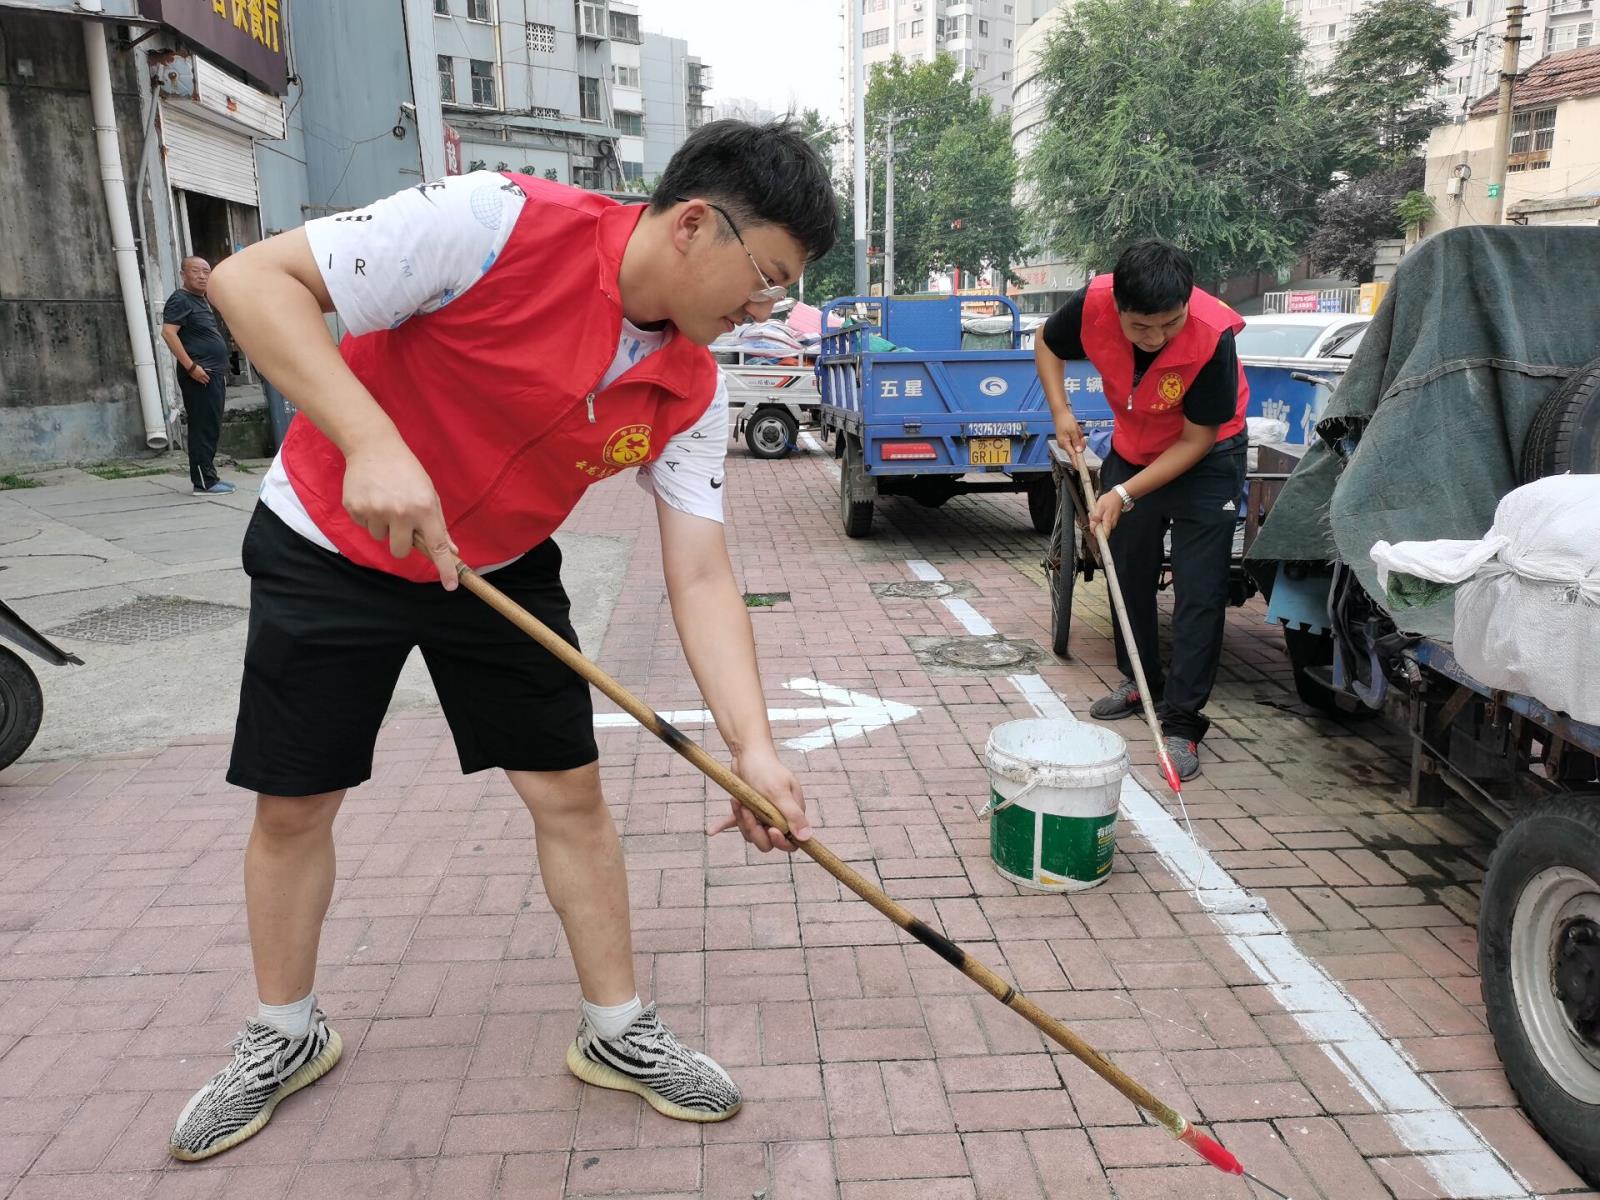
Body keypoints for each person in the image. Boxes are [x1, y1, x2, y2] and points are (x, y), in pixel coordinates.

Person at [167, 120, 836, 1162]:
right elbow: (255, 280)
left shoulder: (695, 386)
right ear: (696, 226)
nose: (761, 311)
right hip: (333, 530)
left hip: (494, 564)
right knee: (297, 800)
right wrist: (372, 442)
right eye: (764, 280)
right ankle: (284, 1033)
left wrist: (752, 748)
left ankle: (616, 1030)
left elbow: (700, 570)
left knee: (569, 790)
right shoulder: (492, 222)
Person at [1034, 240, 1249, 782]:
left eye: (1169, 325)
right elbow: (1047, 342)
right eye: (1141, 328)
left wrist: (1124, 494)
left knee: (1200, 591)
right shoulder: (1093, 303)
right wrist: (1061, 410)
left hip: (1207, 456)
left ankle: (1181, 722)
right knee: (1126, 569)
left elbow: (1196, 440)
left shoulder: (1211, 335)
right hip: (1134, 446)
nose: (1156, 339)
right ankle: (1138, 680)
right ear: (1119, 308)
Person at [160, 256, 236, 496]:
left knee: (211, 426)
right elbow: (168, 333)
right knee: (202, 427)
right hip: (199, 375)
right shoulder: (180, 299)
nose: (203, 276)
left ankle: (209, 476)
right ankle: (203, 482)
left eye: (206, 271)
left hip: (212, 374)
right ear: (183, 274)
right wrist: (191, 367)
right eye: (196, 271)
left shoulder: (201, 300)